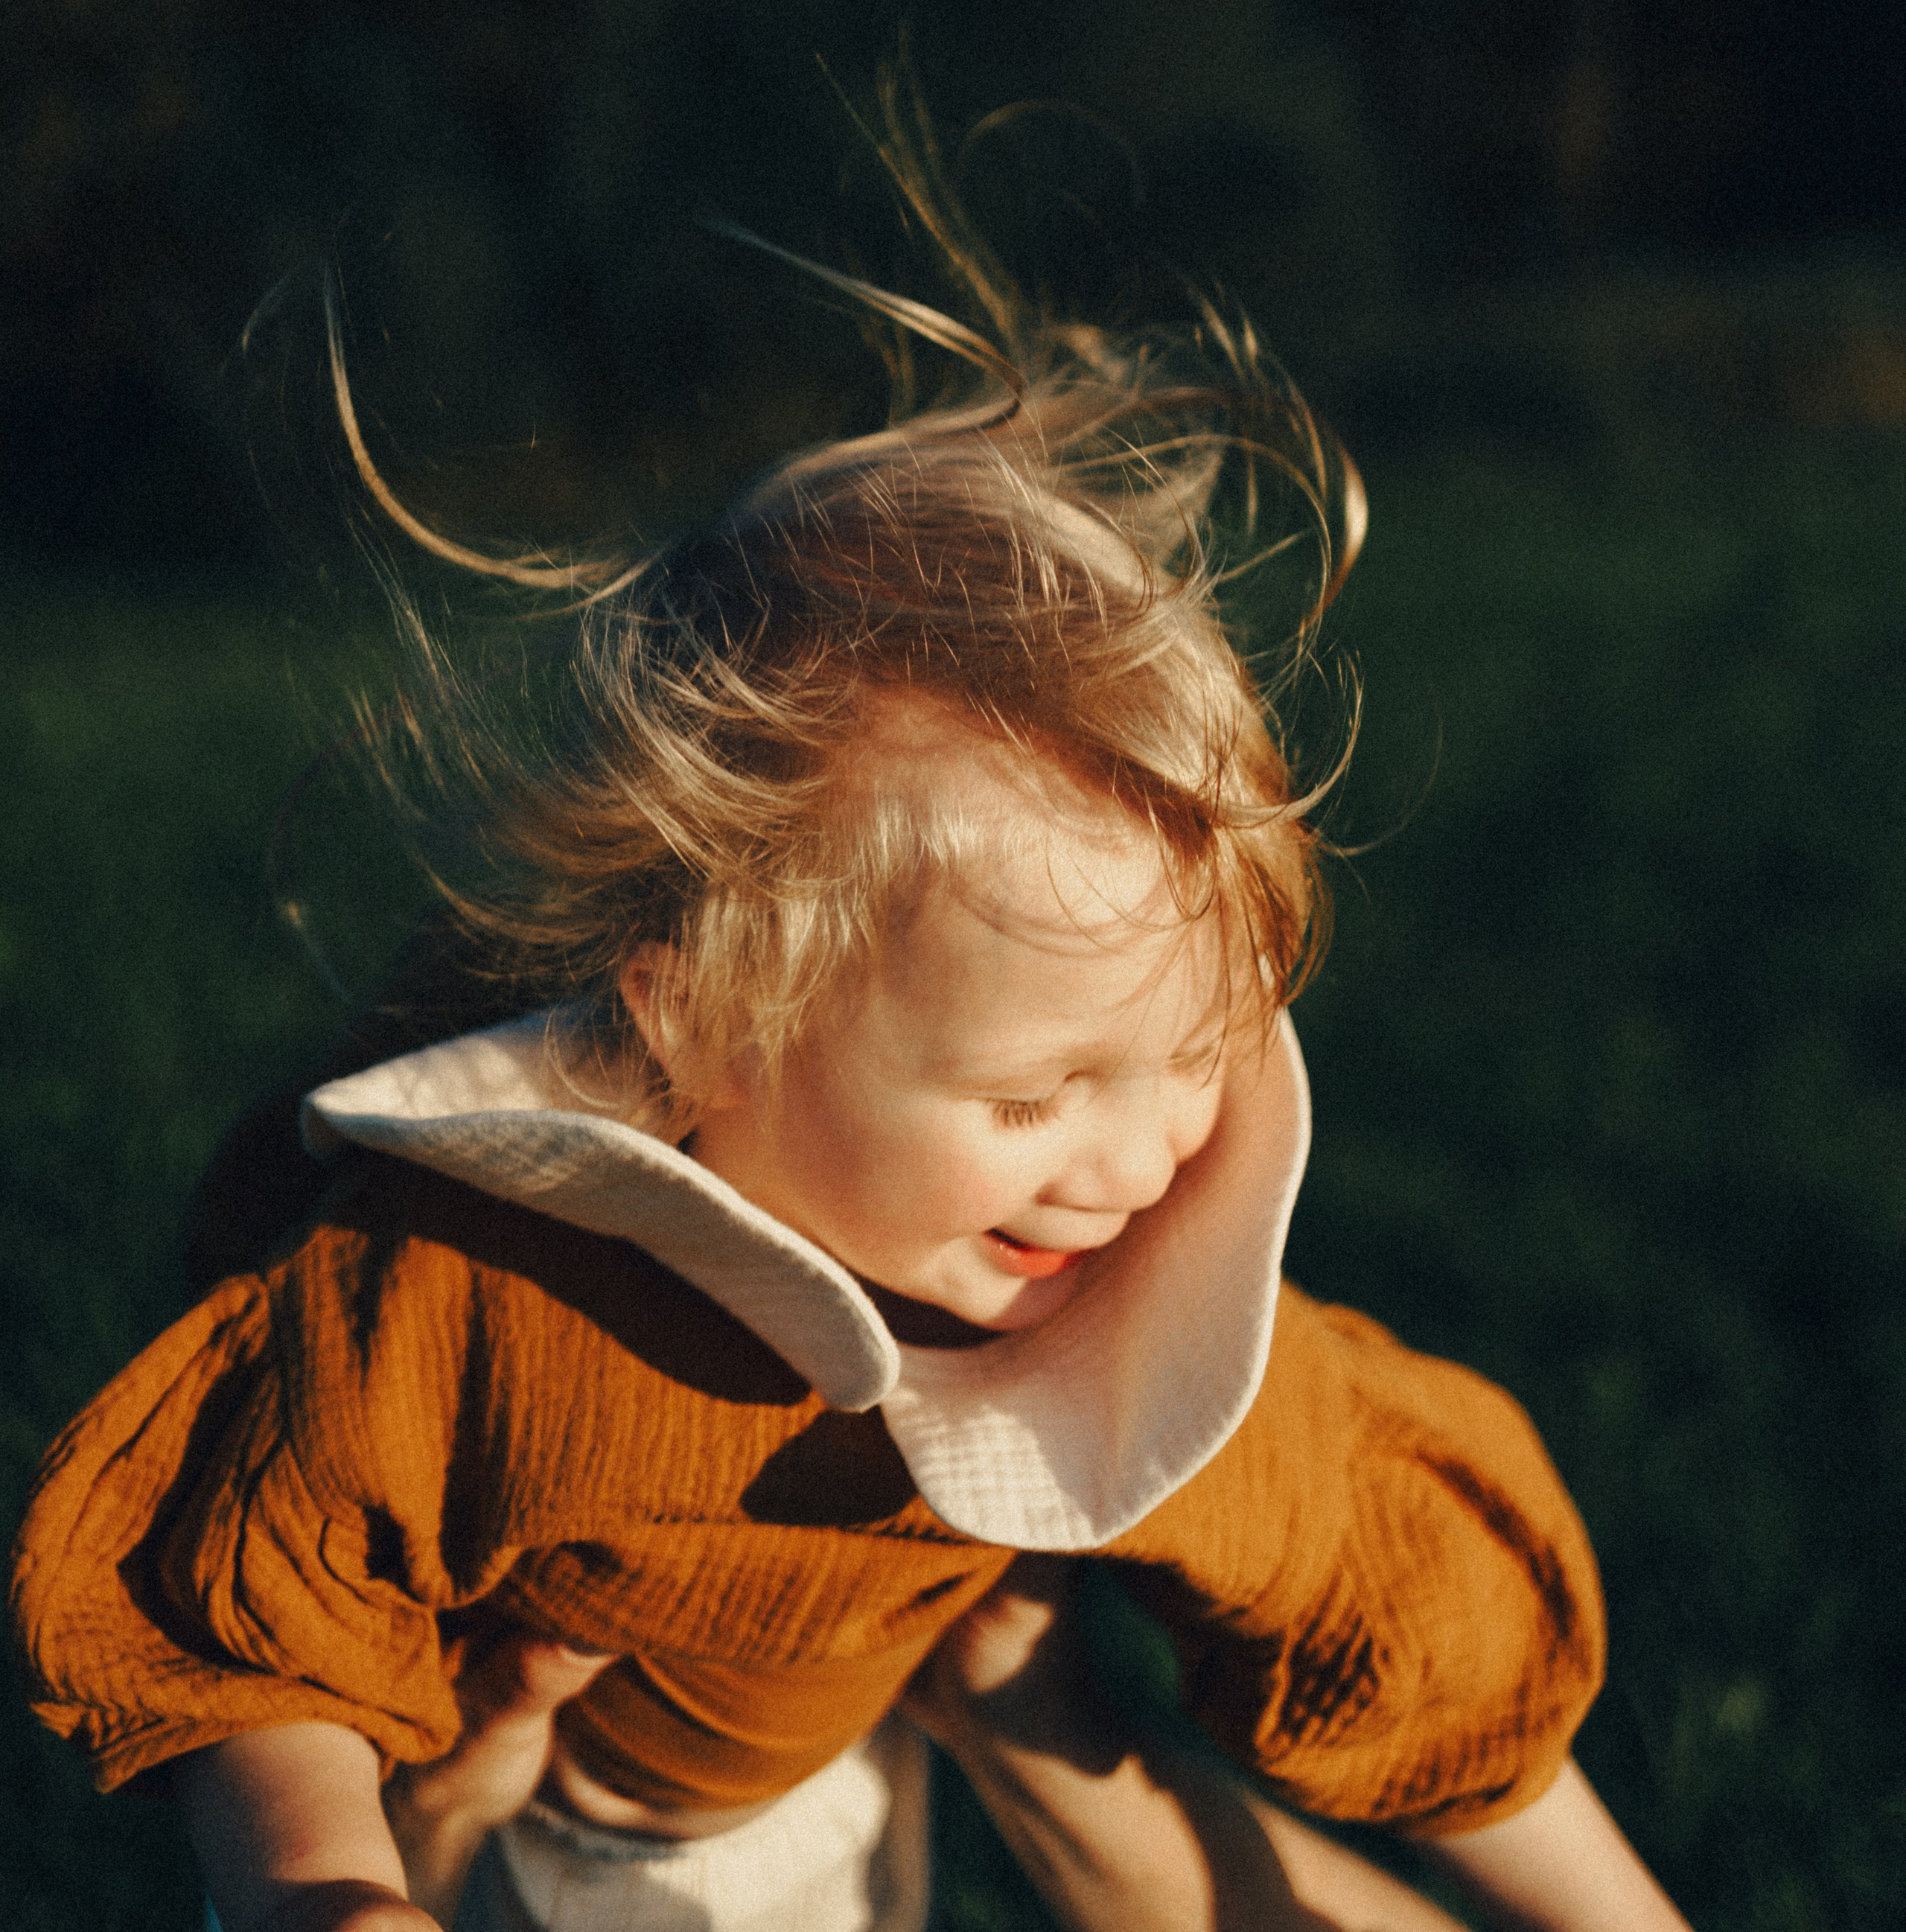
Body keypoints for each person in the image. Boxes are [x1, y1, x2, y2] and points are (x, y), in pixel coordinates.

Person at [11, 168, 1691, 1932]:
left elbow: (1399, 1611)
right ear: (702, 1027)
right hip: (511, 1821)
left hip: (829, 1807)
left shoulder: (1148, 1315)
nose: (1133, 1169)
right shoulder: (486, 1292)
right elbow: (260, 1583)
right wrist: (321, 1884)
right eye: (1030, 1098)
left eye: (1195, 1056)